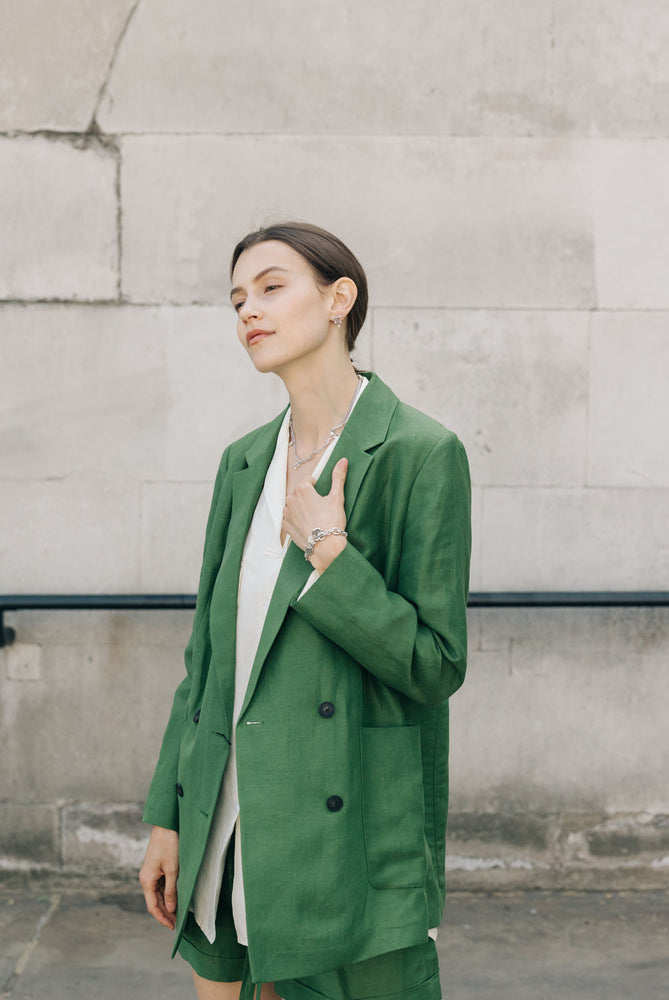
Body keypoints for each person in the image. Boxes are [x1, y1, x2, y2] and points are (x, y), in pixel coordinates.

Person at [139, 221, 471, 1000]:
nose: (247, 310)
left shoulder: (421, 452)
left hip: (346, 832)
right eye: (236, 299)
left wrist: (330, 554)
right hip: (225, 819)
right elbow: (207, 664)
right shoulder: (244, 460)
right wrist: (169, 815)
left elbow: (433, 665)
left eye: (270, 286)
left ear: (337, 299)